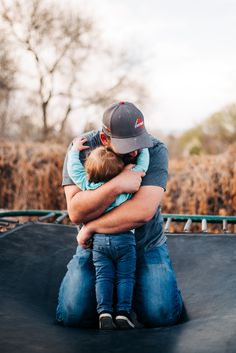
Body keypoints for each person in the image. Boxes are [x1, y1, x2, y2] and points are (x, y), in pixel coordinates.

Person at [56, 101, 183, 328]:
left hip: (145, 245)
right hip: (96, 247)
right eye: (127, 145)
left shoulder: (154, 149)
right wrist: (117, 185)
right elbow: (76, 211)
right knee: (72, 313)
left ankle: (140, 291)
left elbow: (142, 212)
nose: (135, 150)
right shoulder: (82, 148)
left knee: (161, 313)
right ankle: (118, 296)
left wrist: (91, 227)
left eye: (138, 142)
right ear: (105, 139)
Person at [67, 137, 149, 329]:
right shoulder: (125, 186)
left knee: (103, 277)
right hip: (124, 239)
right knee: (125, 277)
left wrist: (74, 151)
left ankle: (104, 312)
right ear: (119, 171)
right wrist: (142, 149)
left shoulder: (87, 184)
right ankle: (122, 313)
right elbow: (143, 165)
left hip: (100, 243)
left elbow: (74, 171)